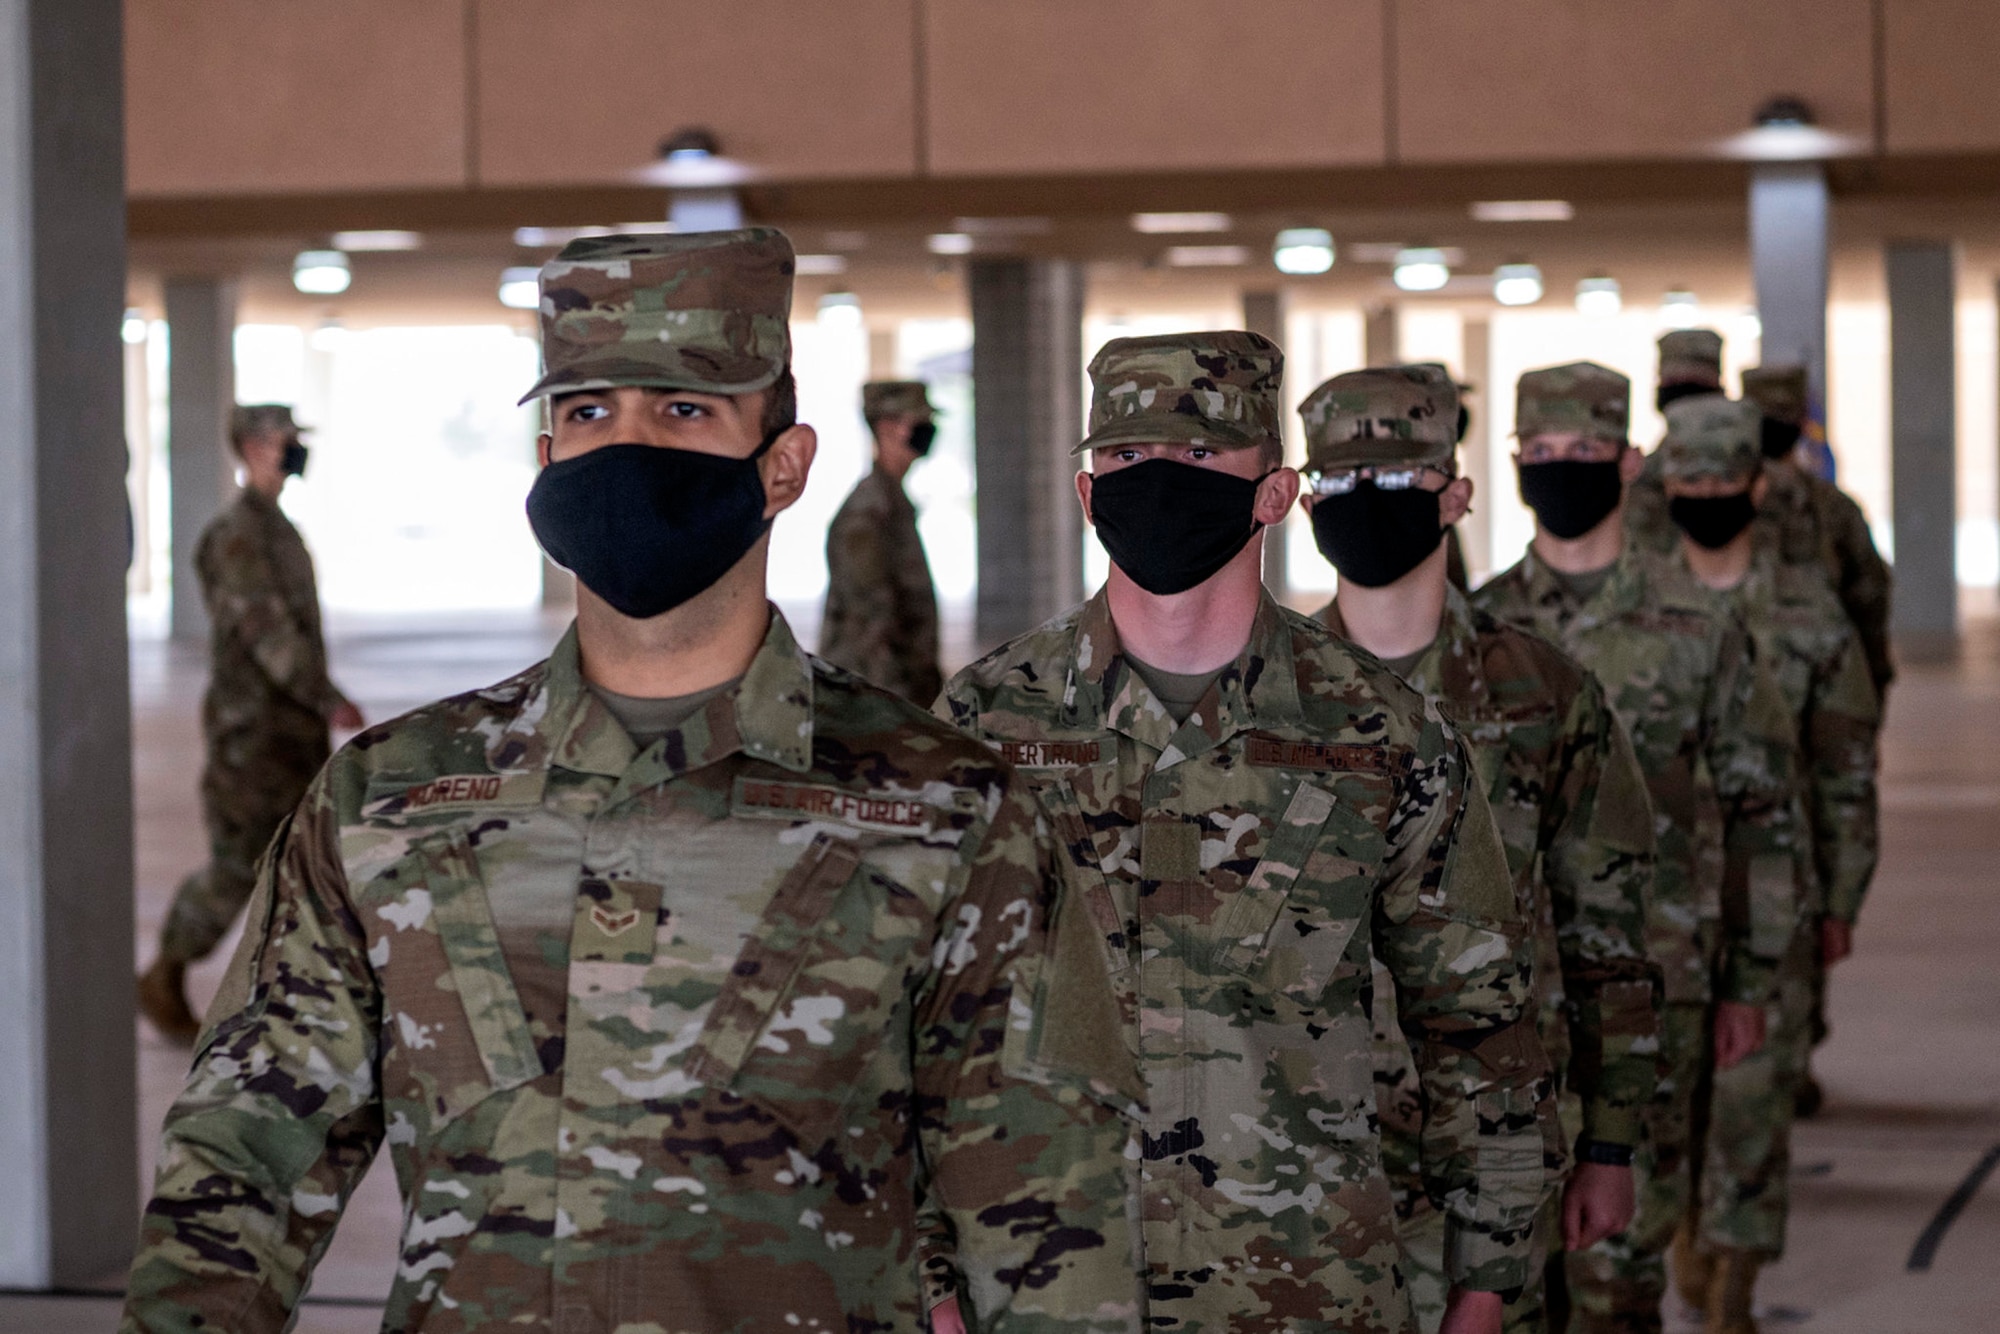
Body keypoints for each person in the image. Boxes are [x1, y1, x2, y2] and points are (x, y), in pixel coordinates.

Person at [121, 229, 1140, 1334]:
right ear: (547, 460)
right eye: (589, 413)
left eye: (685, 411)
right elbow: (237, 1177)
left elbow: (1047, 1214)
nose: (628, 448)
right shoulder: (387, 803)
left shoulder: (949, 810)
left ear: (783, 464)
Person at [939, 330, 1549, 1334]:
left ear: (1272, 493)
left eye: (1194, 458)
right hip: (1038, 1282)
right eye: (1126, 460)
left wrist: (1483, 1278)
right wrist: (927, 1277)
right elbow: (923, 1021)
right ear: (1089, 496)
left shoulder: (1380, 727)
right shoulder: (986, 719)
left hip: (1306, 1284)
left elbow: (1477, 1017)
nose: (1158, 483)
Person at [1299, 366, 1662, 1334]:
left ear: (1455, 496)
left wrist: (1611, 1143)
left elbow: (1608, 936)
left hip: (1490, 1152)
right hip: (1291, 1166)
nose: (1363, 504)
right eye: (1337, 484)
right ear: (1299, 500)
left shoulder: (1543, 693)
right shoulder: (1261, 696)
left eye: (1398, 481)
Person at [1472, 363, 1801, 1334]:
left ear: (1626, 462)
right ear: (1514, 464)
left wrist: (1750, 977)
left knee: (1621, 1265)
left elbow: (1761, 813)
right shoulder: (1477, 630)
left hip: (1661, 985)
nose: (1560, 469)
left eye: (1582, 453)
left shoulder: (1698, 624)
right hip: (1502, 1004)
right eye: (1540, 454)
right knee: (1507, 1263)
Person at [1651, 397, 1880, 1334]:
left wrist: (1845, 892)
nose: (1706, 496)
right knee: (1668, 1110)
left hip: (1772, 900)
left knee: (1751, 1108)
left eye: (1721, 481)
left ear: (1756, 486)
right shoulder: (1630, 612)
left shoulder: (1806, 609)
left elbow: (1845, 768)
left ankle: (1730, 1288)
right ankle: (1688, 1248)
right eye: (1689, 483)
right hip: (1651, 911)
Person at [136, 402, 363, 1044]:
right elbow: (267, 633)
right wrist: (326, 697)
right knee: (240, 863)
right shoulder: (239, 535)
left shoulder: (276, 526)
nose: (293, 449)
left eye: (295, 438)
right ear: (252, 447)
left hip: (288, 732)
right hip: (253, 733)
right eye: (283, 439)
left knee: (302, 864)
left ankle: (291, 997)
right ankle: (166, 970)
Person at [1740, 364, 1895, 703]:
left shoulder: (1719, 500)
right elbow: (1870, 597)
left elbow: (1869, 593)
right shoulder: (1832, 505)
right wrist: (1872, 677)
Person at [818, 379, 944, 703]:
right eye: (918, 423)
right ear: (888, 429)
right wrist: (901, 717)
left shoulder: (892, 505)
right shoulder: (866, 516)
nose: (928, 431)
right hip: (870, 705)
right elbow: (872, 631)